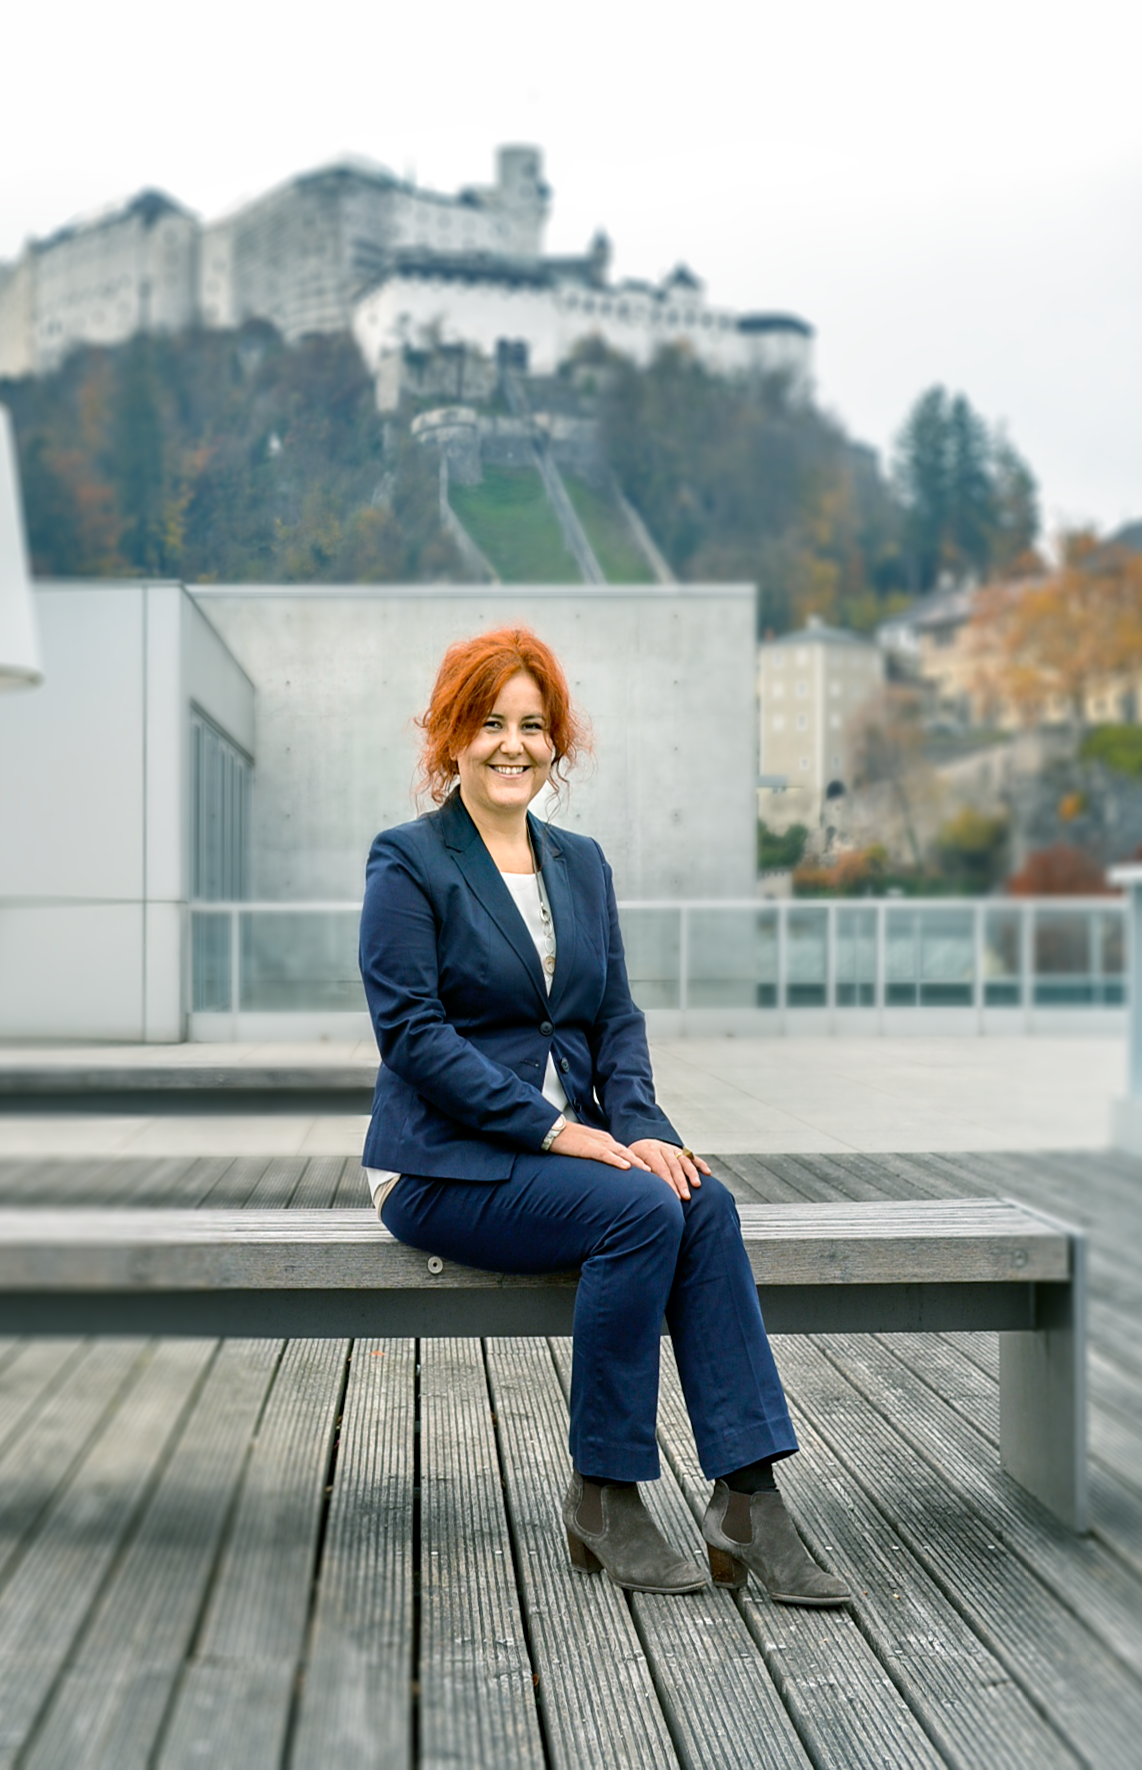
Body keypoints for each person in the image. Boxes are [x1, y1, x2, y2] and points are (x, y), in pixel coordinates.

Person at [359, 626, 850, 1605]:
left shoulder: (579, 864)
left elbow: (614, 1020)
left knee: (695, 1199)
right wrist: (555, 1129)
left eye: (532, 725)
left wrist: (644, 1128)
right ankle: (605, 1490)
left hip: (573, 1158)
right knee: (639, 1210)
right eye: (489, 721)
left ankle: (747, 1494)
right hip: (440, 1164)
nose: (512, 743)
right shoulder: (408, 861)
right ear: (451, 735)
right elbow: (411, 1033)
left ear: (556, 742)